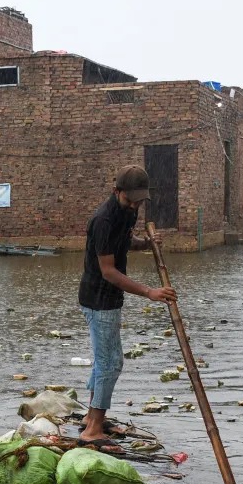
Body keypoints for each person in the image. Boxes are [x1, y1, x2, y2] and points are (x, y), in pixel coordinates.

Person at [78, 165, 177, 447]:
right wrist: (149, 292)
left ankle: (90, 417)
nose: (134, 205)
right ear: (116, 191)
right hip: (99, 299)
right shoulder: (103, 220)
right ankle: (93, 430)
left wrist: (145, 243)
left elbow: (123, 242)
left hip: (107, 298)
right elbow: (108, 270)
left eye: (138, 200)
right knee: (111, 362)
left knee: (102, 359)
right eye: (129, 199)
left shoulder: (128, 211)